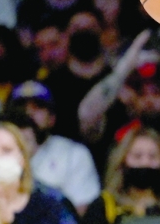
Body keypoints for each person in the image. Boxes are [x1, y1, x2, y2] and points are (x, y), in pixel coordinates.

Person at [6, 82, 101, 214]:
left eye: (38, 107)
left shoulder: (74, 154)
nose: (28, 114)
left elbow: (82, 212)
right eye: (21, 108)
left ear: (52, 118)